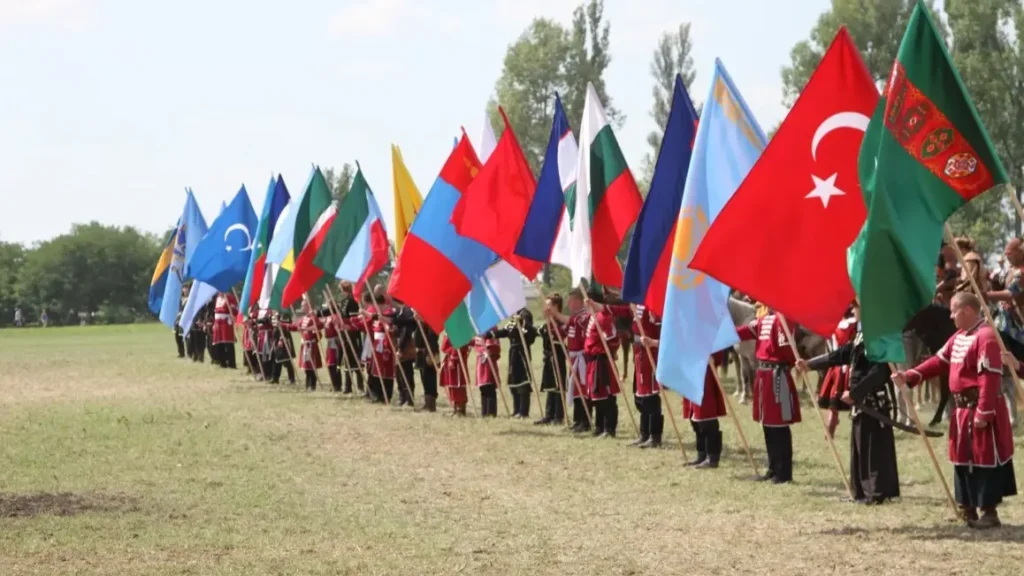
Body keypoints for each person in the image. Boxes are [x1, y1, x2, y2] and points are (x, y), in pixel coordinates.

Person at [893, 292, 1016, 528]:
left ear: (967, 311)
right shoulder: (959, 336)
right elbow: (939, 361)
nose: (950, 315)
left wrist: (984, 411)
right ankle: (966, 507)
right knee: (961, 459)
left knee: (984, 460)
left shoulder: (986, 336)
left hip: (979, 408)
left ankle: (989, 512)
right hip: (961, 412)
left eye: (953, 310)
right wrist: (909, 375)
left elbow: (989, 377)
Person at [797, 302, 900, 504]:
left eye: (856, 307)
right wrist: (809, 364)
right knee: (859, 445)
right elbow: (841, 354)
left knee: (873, 446)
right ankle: (861, 490)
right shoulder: (862, 335)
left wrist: (855, 392)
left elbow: (880, 372)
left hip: (872, 400)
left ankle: (876, 492)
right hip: (859, 400)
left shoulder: (878, 336)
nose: (853, 311)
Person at [736, 306, 801, 484]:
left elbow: (787, 349)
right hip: (763, 375)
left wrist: (786, 364)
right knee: (767, 424)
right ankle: (772, 468)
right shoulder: (764, 319)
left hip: (776, 374)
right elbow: (745, 331)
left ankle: (783, 472)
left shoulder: (784, 319)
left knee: (778, 424)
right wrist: (724, 333)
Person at [605, 301, 663, 448]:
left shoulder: (654, 305)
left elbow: (663, 331)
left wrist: (654, 342)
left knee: (651, 397)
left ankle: (655, 436)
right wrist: (595, 305)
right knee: (642, 397)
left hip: (650, 352)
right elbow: (619, 309)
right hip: (639, 353)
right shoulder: (636, 305)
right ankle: (644, 434)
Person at [546, 289, 591, 433]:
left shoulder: (584, 316)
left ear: (578, 301)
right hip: (573, 359)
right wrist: (551, 321)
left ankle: (585, 421)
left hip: (583, 358)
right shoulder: (573, 318)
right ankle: (578, 420)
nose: (568, 304)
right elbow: (562, 332)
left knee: (583, 390)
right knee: (575, 390)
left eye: (571, 301)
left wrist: (556, 313)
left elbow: (572, 322)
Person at [677, 351, 728, 468]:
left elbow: (718, 343)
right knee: (695, 418)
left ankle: (712, 457)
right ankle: (702, 454)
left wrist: (714, 357)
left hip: (705, 372)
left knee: (706, 416)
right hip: (690, 369)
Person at [584, 287, 621, 438]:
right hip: (592, 361)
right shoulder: (592, 316)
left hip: (602, 361)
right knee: (597, 396)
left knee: (607, 396)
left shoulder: (602, 317)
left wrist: (609, 347)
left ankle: (609, 428)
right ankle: (599, 426)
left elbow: (614, 338)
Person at [489, 310, 538, 419]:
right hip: (513, 352)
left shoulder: (525, 314)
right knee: (514, 382)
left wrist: (521, 322)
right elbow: (505, 331)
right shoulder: (513, 318)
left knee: (523, 383)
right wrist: (490, 335)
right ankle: (516, 410)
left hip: (522, 351)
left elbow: (529, 330)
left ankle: (523, 411)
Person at [535, 294, 567, 426]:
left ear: (556, 306)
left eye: (549, 305)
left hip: (558, 356)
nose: (546, 308)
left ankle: (558, 416)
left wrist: (551, 323)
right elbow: (542, 332)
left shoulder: (561, 322)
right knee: (550, 386)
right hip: (548, 356)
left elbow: (560, 336)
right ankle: (549, 414)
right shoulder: (548, 322)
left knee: (558, 386)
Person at [281, 301, 323, 391]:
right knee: (306, 367)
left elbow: (319, 326)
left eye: (303, 305)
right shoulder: (303, 319)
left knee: (311, 366)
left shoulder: (313, 318)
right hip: (305, 345)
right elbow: (295, 327)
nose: (302, 307)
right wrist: (282, 325)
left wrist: (307, 328)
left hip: (311, 344)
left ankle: (312, 385)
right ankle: (307, 385)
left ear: (308, 306)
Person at [337, 282, 365, 395]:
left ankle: (360, 386)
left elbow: (354, 319)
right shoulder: (343, 301)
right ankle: (347, 386)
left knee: (356, 360)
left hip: (353, 334)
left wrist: (344, 322)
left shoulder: (354, 301)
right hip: (345, 334)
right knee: (347, 359)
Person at [440, 333, 469, 417]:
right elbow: (445, 346)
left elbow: (458, 345)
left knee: (458, 385)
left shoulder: (460, 330)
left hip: (457, 362)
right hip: (450, 358)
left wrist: (453, 358)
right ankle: (456, 408)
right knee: (452, 386)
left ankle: (460, 410)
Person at [474, 333, 502, 417]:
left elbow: (496, 348)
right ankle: (484, 412)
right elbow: (473, 343)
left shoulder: (492, 331)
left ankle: (491, 412)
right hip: (481, 363)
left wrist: (487, 347)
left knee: (490, 388)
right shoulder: (478, 333)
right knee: (483, 388)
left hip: (489, 364)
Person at [212, 293, 238, 369]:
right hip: (218, 322)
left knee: (228, 343)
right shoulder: (217, 298)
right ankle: (222, 362)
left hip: (226, 322)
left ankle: (231, 363)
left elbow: (234, 309)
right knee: (219, 343)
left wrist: (232, 315)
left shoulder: (230, 297)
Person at [321, 305, 344, 392]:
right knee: (330, 365)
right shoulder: (328, 317)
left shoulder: (335, 317)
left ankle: (337, 385)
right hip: (330, 342)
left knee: (335, 365)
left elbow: (338, 330)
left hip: (335, 342)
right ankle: (333, 384)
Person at [271, 311, 297, 385]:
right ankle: (275, 378)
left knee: (287, 360)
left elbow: (288, 325)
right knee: (277, 360)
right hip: (277, 339)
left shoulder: (285, 314)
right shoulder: (274, 313)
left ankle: (291, 378)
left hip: (285, 339)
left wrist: (281, 324)